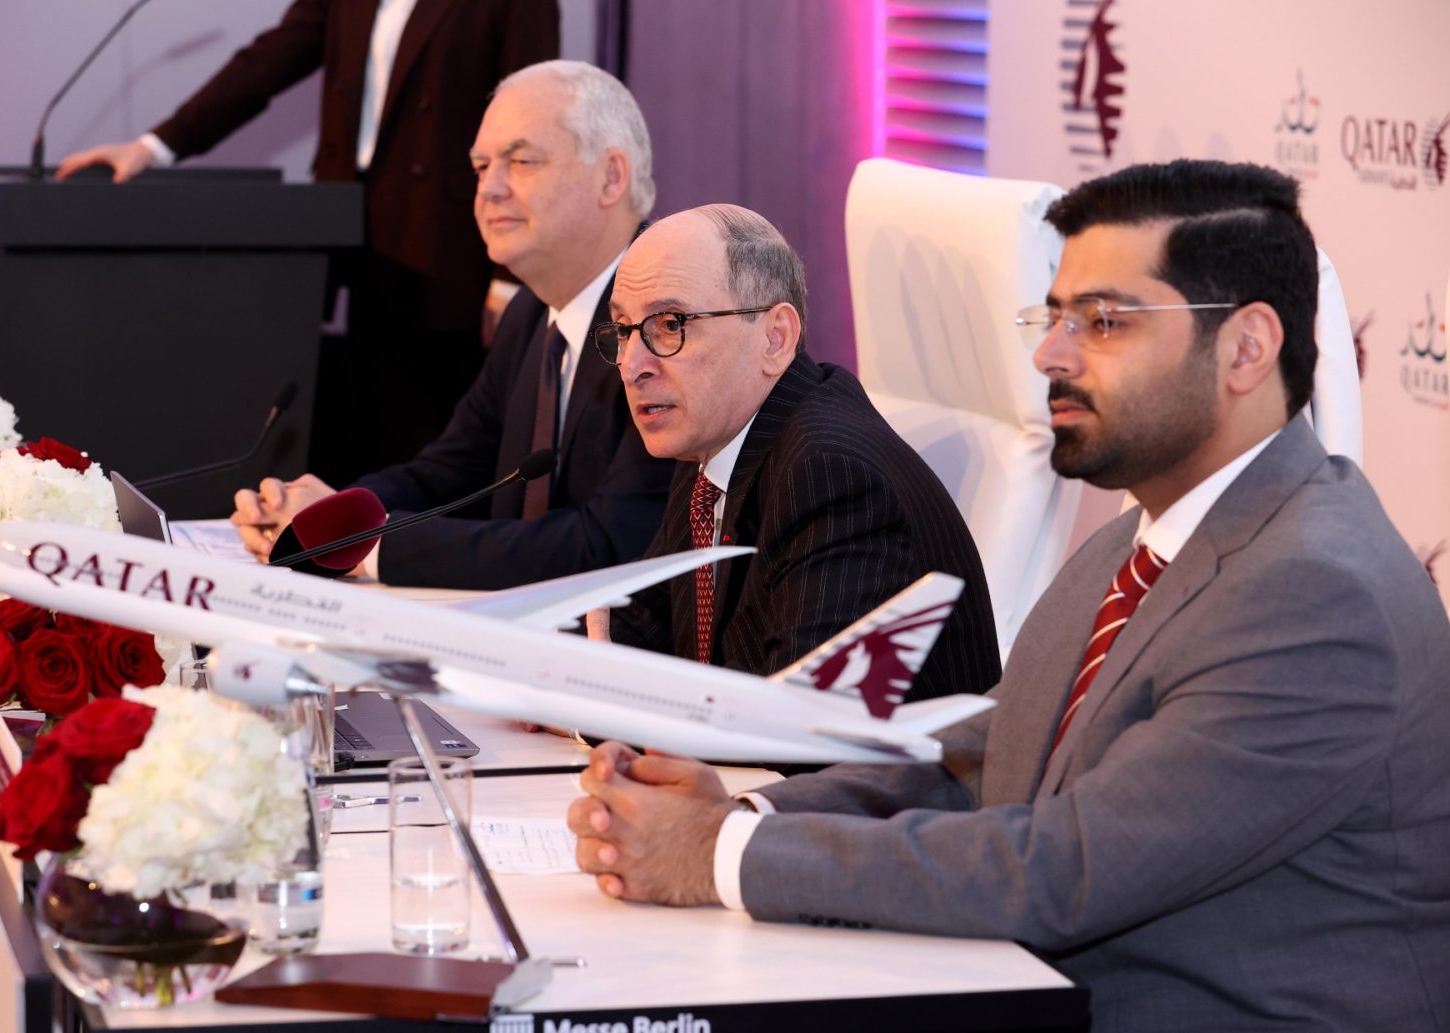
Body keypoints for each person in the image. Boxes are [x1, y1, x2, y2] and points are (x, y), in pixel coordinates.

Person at [567, 162, 1450, 1032]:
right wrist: (741, 811)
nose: (1049, 355)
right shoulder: (1129, 541)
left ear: (1247, 348)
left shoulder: (1316, 592)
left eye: (1102, 322)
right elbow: (985, 757)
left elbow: (1061, 868)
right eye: (1055, 317)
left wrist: (720, 855)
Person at [57, 1, 560, 481]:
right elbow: (270, 60)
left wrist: (509, 275)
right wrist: (156, 146)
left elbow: (532, 119)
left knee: (429, 431)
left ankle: (427, 555)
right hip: (348, 233)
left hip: (448, 250)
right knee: (358, 427)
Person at [230, 60, 672, 590]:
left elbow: (607, 548)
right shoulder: (529, 314)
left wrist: (365, 547)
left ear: (611, 176)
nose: (489, 190)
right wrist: (324, 518)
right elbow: (445, 474)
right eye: (481, 167)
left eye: (521, 161)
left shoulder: (665, 326)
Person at [594, 205, 1000, 700]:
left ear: (775, 339)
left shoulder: (831, 475)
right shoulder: (711, 441)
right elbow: (642, 630)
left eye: (670, 325)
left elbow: (797, 728)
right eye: (623, 330)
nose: (633, 365)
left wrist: (590, 704)